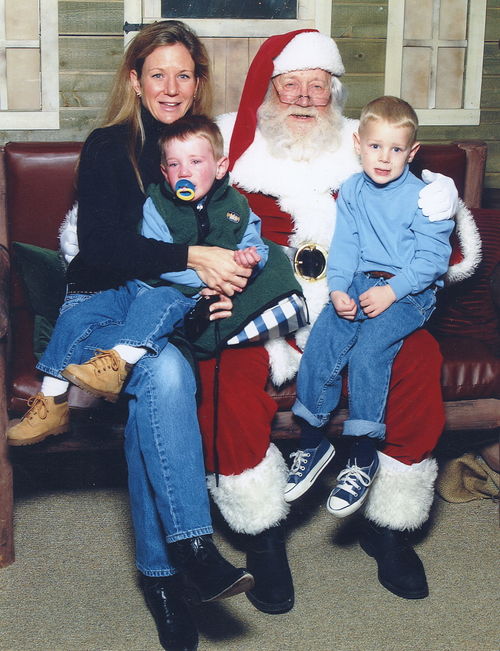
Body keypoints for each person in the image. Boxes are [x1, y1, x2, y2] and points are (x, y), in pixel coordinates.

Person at [59, 29, 479, 609]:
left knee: (419, 357)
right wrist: (211, 286)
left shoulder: (366, 156)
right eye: (290, 87)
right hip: (258, 304)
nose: (304, 98)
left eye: (317, 87)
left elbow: (427, 215)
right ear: (269, 95)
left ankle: (391, 526)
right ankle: (261, 534)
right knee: (225, 367)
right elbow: (164, 229)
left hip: (351, 302)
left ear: (335, 98)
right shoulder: (227, 148)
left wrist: (438, 199)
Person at [9, 21, 262, 651]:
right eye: (158, 75)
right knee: (165, 376)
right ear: (135, 80)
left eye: (184, 74)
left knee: (166, 376)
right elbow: (101, 247)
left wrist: (225, 278)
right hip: (103, 299)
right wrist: (194, 254)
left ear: (198, 81)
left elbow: (234, 238)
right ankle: (182, 563)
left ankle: (173, 568)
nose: (171, 87)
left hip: (162, 305)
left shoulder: (199, 148)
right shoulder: (108, 145)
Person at [6, 115, 268, 421]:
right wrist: (202, 268)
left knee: (163, 336)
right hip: (140, 287)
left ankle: (121, 359)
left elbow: (258, 249)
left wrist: (245, 264)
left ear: (220, 166)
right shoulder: (155, 202)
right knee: (85, 313)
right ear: (164, 171)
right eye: (174, 165)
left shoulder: (235, 206)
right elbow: (156, 257)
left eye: (196, 162)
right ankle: (50, 397)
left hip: (180, 300)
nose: (185, 172)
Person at [285, 96, 454, 519]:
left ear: (411, 153)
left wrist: (392, 292)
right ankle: (312, 441)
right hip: (360, 280)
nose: (385, 157)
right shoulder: (354, 190)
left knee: (370, 348)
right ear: (358, 144)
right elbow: (346, 246)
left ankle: (362, 455)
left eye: (396, 149)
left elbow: (432, 262)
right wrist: (338, 287)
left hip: (411, 292)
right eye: (376, 146)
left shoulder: (426, 197)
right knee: (325, 336)